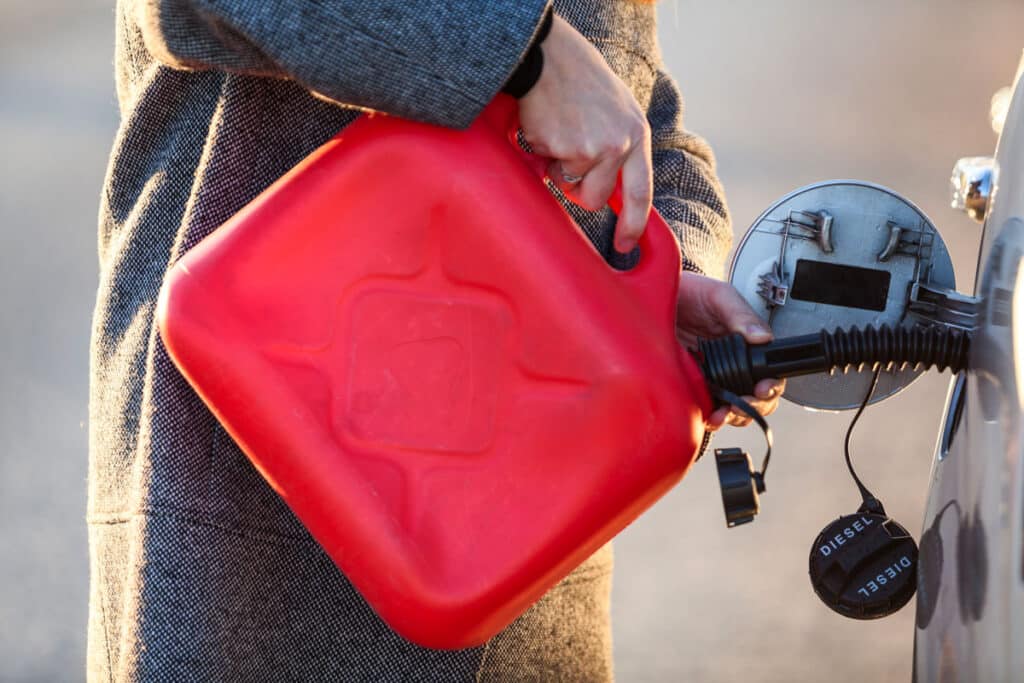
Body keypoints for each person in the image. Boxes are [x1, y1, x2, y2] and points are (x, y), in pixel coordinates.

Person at [88, 1, 783, 679]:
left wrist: (670, 279)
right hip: (253, 524)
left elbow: (640, 120)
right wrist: (526, 53)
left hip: (528, 557)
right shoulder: (531, 46)